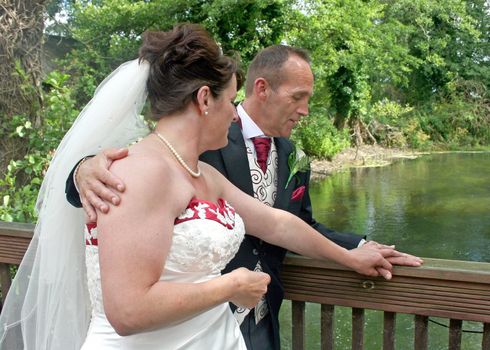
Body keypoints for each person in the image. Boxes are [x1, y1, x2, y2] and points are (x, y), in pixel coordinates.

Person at [0, 24, 407, 350]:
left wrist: (350, 256)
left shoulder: (202, 174)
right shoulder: (141, 172)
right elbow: (126, 311)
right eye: (232, 102)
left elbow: (278, 224)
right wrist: (230, 285)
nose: (235, 115)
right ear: (204, 99)